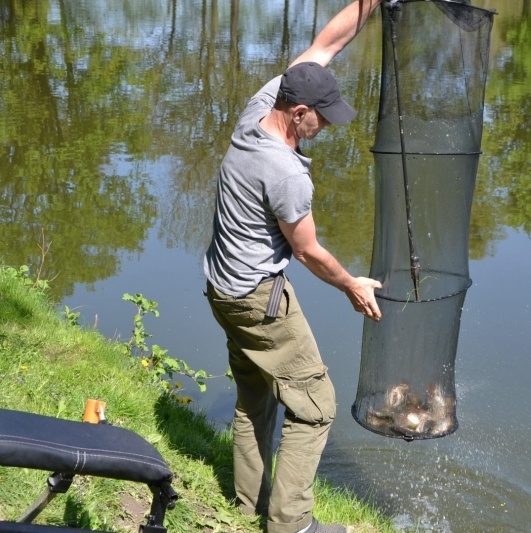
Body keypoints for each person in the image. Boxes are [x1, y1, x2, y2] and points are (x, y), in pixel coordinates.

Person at [203, 1, 383, 532]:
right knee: (316, 404)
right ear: (297, 110)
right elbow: (306, 251)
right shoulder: (286, 173)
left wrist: (368, 3)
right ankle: (292, 525)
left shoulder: (256, 109)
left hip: (221, 288)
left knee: (255, 396)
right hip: (258, 299)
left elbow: (326, 44)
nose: (325, 124)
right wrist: (351, 283)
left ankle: (246, 505)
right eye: (320, 116)